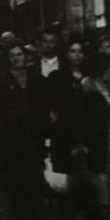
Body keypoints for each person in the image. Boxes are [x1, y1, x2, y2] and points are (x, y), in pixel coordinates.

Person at [0, 41, 50, 220]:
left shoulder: (37, 79)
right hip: (12, 138)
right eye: (12, 55)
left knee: (34, 176)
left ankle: (33, 216)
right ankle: (19, 215)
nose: (16, 58)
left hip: (33, 136)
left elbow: (44, 107)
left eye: (19, 54)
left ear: (25, 56)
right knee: (16, 178)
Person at [72, 55, 110, 220]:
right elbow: (78, 119)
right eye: (109, 68)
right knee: (95, 178)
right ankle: (98, 214)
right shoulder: (85, 90)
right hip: (94, 141)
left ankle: (105, 211)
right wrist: (79, 143)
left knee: (107, 176)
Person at [47, 39, 85, 176]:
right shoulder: (57, 76)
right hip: (66, 131)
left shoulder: (90, 76)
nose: (77, 55)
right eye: (73, 51)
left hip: (86, 129)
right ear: (66, 54)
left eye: (80, 51)